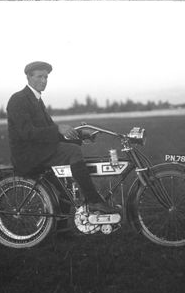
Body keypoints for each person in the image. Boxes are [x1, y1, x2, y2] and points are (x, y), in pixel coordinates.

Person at [7, 61, 117, 213]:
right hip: (28, 155)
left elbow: (50, 133)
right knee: (73, 152)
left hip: (40, 151)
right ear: (28, 77)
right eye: (39, 76)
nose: (44, 81)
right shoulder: (18, 99)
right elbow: (27, 132)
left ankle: (62, 231)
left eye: (46, 77)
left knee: (66, 188)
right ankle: (94, 200)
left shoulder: (36, 100)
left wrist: (79, 135)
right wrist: (58, 129)